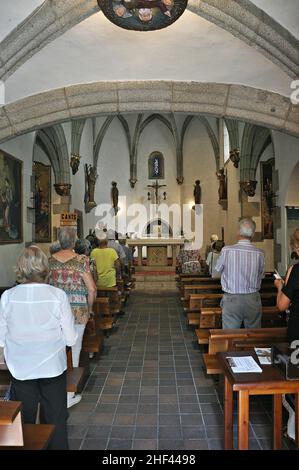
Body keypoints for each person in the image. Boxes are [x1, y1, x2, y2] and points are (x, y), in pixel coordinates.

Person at [0, 246, 77, 449]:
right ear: (45, 267)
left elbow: (0, 339)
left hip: (21, 369)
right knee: (56, 419)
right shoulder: (58, 295)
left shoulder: (7, 297)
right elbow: (70, 339)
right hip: (52, 367)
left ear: (21, 268)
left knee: (23, 422)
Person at [48, 227, 96, 408]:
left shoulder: (50, 261)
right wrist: (89, 308)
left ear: (59, 241)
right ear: (74, 241)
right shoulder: (81, 261)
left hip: (56, 313)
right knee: (75, 349)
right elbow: (91, 288)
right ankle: (68, 395)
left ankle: (55, 392)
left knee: (57, 351)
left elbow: (46, 285)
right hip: (77, 311)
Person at [215, 218, 265, 329]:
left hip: (232, 299)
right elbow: (261, 275)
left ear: (238, 232)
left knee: (230, 335)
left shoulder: (226, 250)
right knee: (253, 335)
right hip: (253, 299)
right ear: (252, 234)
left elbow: (217, 269)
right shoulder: (260, 253)